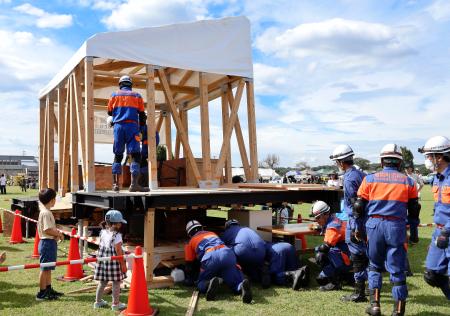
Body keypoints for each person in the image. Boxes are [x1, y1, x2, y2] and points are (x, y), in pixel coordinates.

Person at [356, 144, 419, 316]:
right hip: (397, 227)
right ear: (399, 162)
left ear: (382, 161)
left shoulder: (369, 179)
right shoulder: (409, 181)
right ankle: (398, 311)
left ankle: (375, 306)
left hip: (374, 226)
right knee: (397, 269)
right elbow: (414, 211)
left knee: (374, 266)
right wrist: (414, 235)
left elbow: (358, 207)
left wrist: (358, 229)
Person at [330, 144, 367, 302]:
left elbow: (354, 205)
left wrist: (356, 227)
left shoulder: (349, 178)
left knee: (357, 256)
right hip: (366, 220)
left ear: (340, 162)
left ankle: (359, 292)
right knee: (364, 255)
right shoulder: (361, 174)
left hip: (355, 221)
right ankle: (365, 288)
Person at [184, 220, 252, 303]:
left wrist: (189, 279)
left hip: (210, 256)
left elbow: (189, 265)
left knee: (201, 282)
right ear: (202, 228)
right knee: (234, 279)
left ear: (189, 234)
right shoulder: (212, 233)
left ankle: (208, 284)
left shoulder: (190, 242)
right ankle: (241, 286)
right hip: (227, 253)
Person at [418, 136, 450, 300]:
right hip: (439, 233)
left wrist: (446, 231)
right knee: (432, 275)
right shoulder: (436, 179)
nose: (427, 160)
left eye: (429, 156)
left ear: (440, 156)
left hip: (448, 232)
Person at [107, 75, 149, 192]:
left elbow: (110, 112)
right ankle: (134, 185)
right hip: (132, 126)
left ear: (120, 84)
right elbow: (142, 115)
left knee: (118, 155)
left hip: (118, 127)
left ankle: (115, 185)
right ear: (130, 85)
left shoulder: (114, 95)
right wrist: (141, 129)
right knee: (135, 155)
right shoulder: (137, 96)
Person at [312, 201, 352, 291]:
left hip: (348, 257)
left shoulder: (332, 227)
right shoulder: (335, 217)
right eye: (315, 218)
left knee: (320, 253)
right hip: (351, 253)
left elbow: (325, 247)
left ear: (326, 214)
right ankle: (347, 277)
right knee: (321, 278)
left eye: (318, 218)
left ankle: (335, 283)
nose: (317, 221)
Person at [93, 210, 128, 311]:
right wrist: (123, 264)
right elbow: (118, 250)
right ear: (115, 224)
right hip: (114, 262)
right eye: (119, 222)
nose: (121, 224)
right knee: (116, 282)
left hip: (103, 261)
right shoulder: (117, 235)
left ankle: (98, 302)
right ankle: (115, 304)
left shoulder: (102, 232)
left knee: (102, 282)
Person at [221, 219, 270, 287]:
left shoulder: (227, 232)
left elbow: (220, 246)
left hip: (244, 253)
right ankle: (261, 270)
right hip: (261, 252)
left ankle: (241, 276)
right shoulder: (247, 228)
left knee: (225, 250)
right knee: (252, 261)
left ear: (227, 226)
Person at [36, 188, 64, 301]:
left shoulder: (46, 212)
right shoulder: (46, 213)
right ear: (52, 200)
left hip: (49, 242)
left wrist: (56, 234)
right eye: (55, 198)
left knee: (48, 268)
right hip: (46, 243)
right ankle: (42, 293)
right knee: (44, 268)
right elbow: (47, 229)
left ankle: (48, 289)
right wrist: (59, 234)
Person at [138, 112, 159, 187]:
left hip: (148, 152)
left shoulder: (148, 128)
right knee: (142, 163)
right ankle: (144, 182)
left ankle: (145, 183)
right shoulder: (144, 127)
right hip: (145, 151)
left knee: (143, 164)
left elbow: (156, 141)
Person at [404, 162, 423, 244]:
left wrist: (417, 192)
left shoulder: (416, 176)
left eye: (408, 168)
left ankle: (414, 238)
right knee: (403, 218)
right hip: (404, 199)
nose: (407, 170)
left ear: (411, 168)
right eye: (406, 168)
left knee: (413, 219)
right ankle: (404, 237)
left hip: (413, 200)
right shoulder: (403, 176)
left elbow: (422, 184)